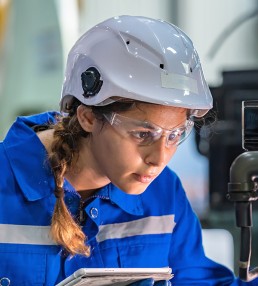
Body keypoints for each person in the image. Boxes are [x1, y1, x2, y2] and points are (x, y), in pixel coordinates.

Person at [0, 15, 257, 286]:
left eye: (174, 135)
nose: (158, 159)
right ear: (88, 116)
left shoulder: (163, 192)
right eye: (143, 134)